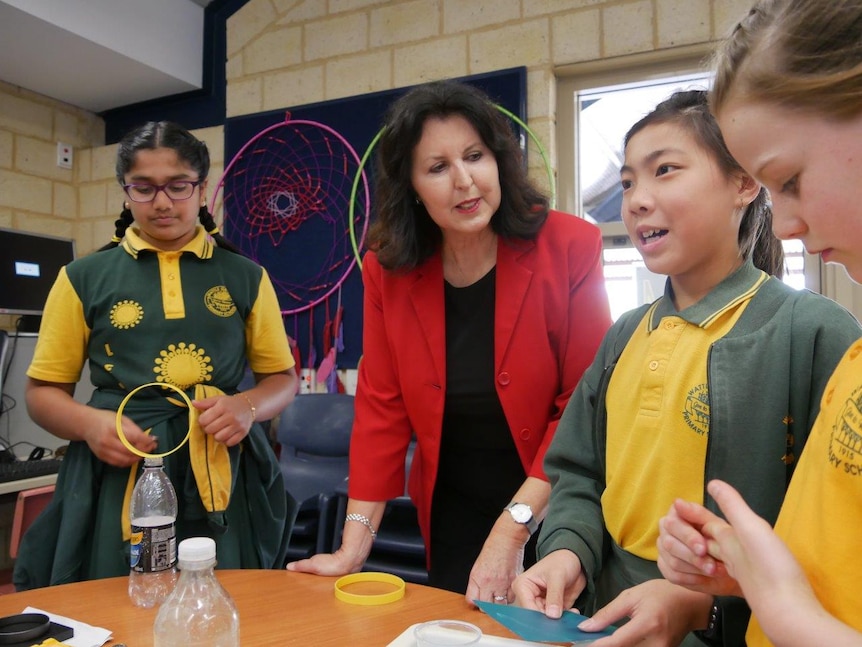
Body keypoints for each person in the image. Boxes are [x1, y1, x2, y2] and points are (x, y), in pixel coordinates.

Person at [511, 89, 862, 646]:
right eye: (627, 182)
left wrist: (707, 605)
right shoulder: (624, 335)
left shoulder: (814, 333)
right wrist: (567, 552)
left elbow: (831, 541)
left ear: (745, 183)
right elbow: (578, 472)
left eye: (665, 170)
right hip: (601, 622)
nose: (636, 200)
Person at [287, 80, 613, 602]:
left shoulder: (570, 245)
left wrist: (513, 529)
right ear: (412, 186)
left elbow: (584, 405)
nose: (464, 181)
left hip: (556, 503)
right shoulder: (387, 271)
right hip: (452, 508)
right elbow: (381, 409)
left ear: (499, 161)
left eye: (474, 156)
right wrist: (353, 548)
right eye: (438, 168)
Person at [16, 121, 298, 589]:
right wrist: (91, 425)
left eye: (178, 186)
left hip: (219, 468)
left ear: (202, 188)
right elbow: (41, 393)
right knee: (119, 601)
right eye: (143, 188)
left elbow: (282, 379)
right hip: (119, 468)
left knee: (224, 596)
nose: (162, 202)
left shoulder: (247, 277)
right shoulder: (82, 278)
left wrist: (245, 407)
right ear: (125, 193)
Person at [657, 1, 862, 645]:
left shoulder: (814, 327)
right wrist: (748, 575)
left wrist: (783, 609)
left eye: (792, 179)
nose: (790, 224)